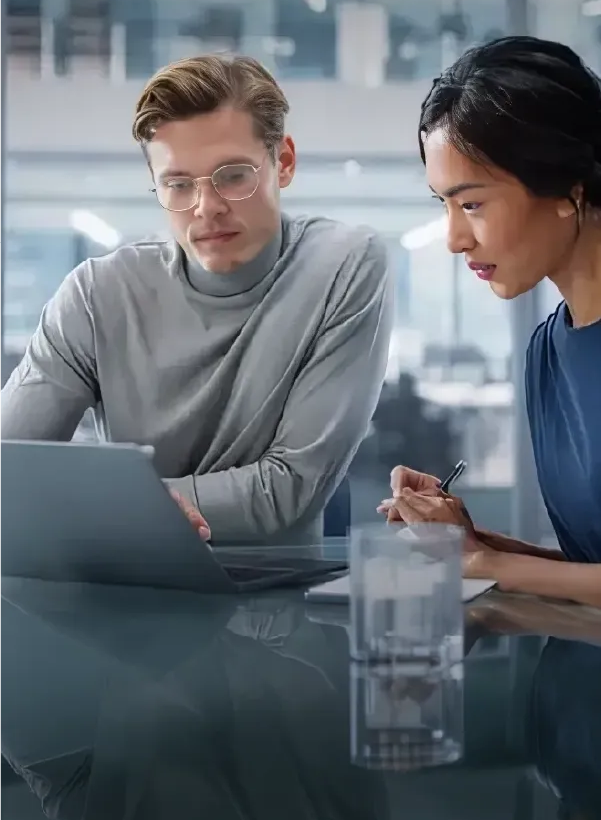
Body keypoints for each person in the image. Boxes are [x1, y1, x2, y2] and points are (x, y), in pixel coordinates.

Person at [0, 55, 393, 545]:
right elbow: (9, 472)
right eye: (178, 184)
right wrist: (139, 510)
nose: (206, 208)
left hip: (280, 598)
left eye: (233, 175)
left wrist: (115, 506)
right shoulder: (96, 294)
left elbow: (288, 491)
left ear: (283, 162)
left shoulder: (345, 264)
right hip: (125, 583)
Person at [379, 36, 601, 608]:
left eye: (472, 204)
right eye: (444, 205)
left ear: (567, 187)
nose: (454, 239)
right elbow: (588, 573)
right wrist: (472, 546)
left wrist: (490, 563)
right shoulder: (547, 352)